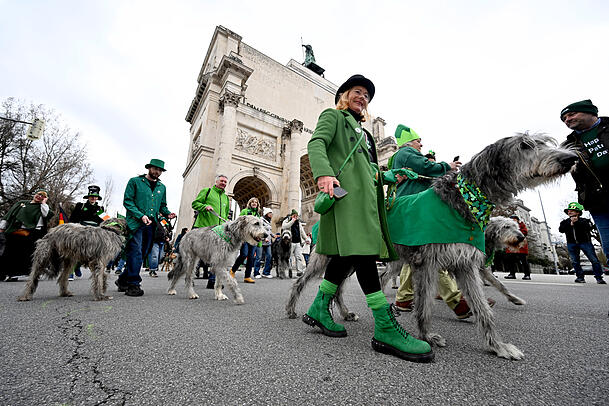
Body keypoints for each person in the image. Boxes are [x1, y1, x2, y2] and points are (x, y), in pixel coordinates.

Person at [303, 74, 433, 362]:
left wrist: (390, 175)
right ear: (344, 95)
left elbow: (370, 170)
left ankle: (318, 307)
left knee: (345, 256)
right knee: (362, 251)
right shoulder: (333, 117)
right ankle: (384, 326)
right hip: (346, 197)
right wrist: (324, 173)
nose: (362, 97)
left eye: (367, 95)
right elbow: (316, 144)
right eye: (357, 92)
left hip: (366, 201)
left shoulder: (366, 134)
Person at [389, 126, 477, 317]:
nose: (421, 144)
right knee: (431, 252)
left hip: (411, 207)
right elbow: (426, 167)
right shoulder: (406, 152)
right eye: (418, 140)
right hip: (414, 207)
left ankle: (404, 298)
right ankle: (457, 302)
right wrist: (448, 167)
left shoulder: (404, 155)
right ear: (409, 142)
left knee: (418, 254)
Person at [116, 159, 175, 297]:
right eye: (155, 169)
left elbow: (162, 206)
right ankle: (133, 284)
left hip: (151, 225)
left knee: (142, 253)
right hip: (135, 223)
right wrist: (140, 215)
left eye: (160, 170)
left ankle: (123, 279)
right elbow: (128, 201)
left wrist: (168, 213)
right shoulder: (135, 181)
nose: (157, 172)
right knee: (135, 251)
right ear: (149, 168)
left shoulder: (162, 187)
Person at [560, 100, 609, 258]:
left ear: (591, 113)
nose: (567, 119)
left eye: (572, 114)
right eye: (564, 118)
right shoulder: (568, 146)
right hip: (597, 201)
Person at [0, 190, 53, 281]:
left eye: (43, 196)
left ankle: (16, 274)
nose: (39, 196)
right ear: (35, 194)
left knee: (26, 254)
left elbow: (46, 214)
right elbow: (9, 215)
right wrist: (2, 227)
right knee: (9, 253)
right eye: (38, 194)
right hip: (15, 231)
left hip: (32, 234)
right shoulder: (22, 203)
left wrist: (43, 203)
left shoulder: (42, 207)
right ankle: (3, 273)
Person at [192, 174, 230, 288]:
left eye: (225, 182)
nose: (223, 183)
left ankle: (212, 281)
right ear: (216, 181)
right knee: (196, 255)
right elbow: (195, 204)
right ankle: (190, 277)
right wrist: (205, 206)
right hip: (203, 228)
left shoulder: (226, 198)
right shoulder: (206, 191)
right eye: (222, 181)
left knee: (218, 256)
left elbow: (226, 213)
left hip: (218, 231)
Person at [559, 202, 606, 284]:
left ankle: (599, 277)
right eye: (568, 211)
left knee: (594, 260)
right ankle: (580, 277)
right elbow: (561, 230)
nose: (569, 212)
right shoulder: (565, 222)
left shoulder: (584, 221)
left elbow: (588, 228)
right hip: (571, 243)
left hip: (585, 242)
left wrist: (577, 223)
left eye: (572, 211)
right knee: (575, 261)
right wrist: (571, 224)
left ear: (578, 212)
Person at [68, 185, 105, 280]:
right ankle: (70, 272)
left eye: (95, 196)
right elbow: (73, 219)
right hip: (80, 231)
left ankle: (78, 266)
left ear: (97, 198)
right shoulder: (80, 206)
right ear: (88, 197)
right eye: (91, 196)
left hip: (94, 234)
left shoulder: (100, 208)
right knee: (76, 251)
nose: (93, 198)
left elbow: (104, 221)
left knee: (89, 253)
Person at [231, 197, 262, 283]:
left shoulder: (258, 215)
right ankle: (232, 270)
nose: (254, 203)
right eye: (252, 202)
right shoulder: (244, 212)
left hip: (254, 239)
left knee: (251, 257)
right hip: (245, 238)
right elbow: (239, 224)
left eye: (256, 202)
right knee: (244, 254)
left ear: (258, 204)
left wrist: (259, 242)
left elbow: (259, 229)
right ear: (249, 203)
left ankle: (247, 276)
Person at [504, 215, 531, 280]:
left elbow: (525, 232)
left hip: (521, 245)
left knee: (523, 261)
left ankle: (527, 275)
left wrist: (517, 232)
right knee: (510, 260)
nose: (513, 221)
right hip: (511, 246)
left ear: (517, 220)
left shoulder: (521, 225)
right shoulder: (508, 227)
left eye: (514, 219)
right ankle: (512, 274)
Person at [282, 209, 307, 277]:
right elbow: (284, 226)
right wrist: (292, 221)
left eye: (296, 216)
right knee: (289, 257)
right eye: (294, 215)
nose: (295, 217)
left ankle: (299, 271)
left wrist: (306, 239)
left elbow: (302, 231)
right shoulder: (287, 220)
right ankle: (289, 270)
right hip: (290, 242)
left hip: (298, 242)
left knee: (298, 257)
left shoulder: (298, 222)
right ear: (292, 215)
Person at [254, 211, 274, 279]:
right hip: (261, 242)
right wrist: (264, 238)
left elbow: (269, 231)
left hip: (268, 242)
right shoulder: (261, 220)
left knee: (269, 256)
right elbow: (260, 230)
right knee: (259, 257)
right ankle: (256, 272)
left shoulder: (269, 221)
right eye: (270, 213)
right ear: (266, 214)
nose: (271, 215)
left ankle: (266, 272)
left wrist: (274, 235)